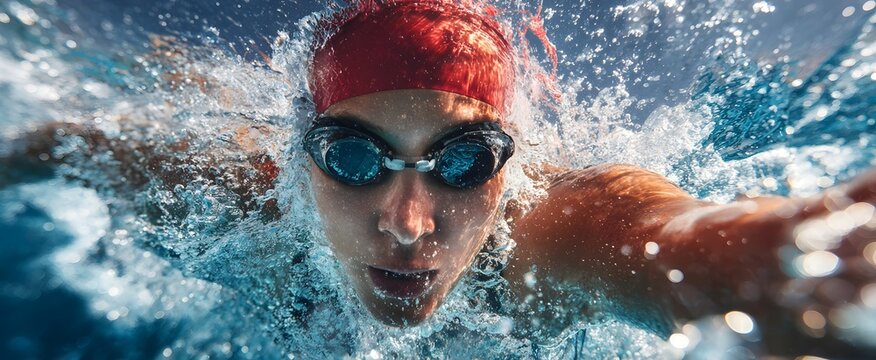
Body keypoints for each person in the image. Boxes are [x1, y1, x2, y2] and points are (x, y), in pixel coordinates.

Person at [2, 0, 874, 356]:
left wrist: (782, 259)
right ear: (300, 152)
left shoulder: (541, 238)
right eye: (352, 156)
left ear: (510, 171)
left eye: (465, 163)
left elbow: (665, 240)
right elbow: (55, 141)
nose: (410, 222)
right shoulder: (217, 183)